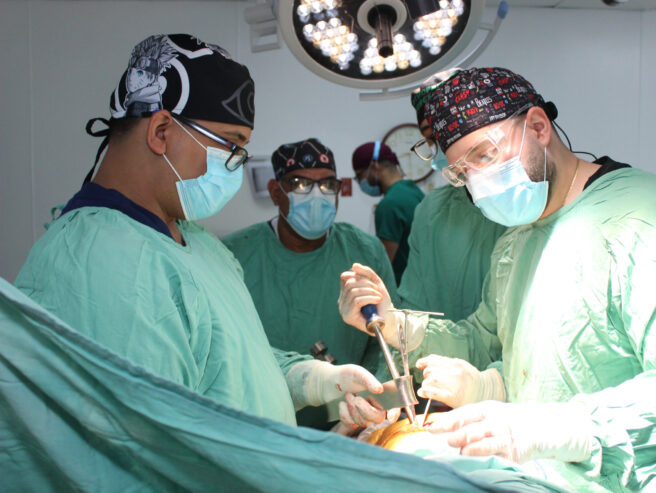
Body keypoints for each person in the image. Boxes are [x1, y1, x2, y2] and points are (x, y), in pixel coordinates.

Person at [338, 67, 656, 491]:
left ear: (538, 127)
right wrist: (399, 326)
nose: (477, 184)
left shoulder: (654, 221)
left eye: (484, 156)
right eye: (462, 172)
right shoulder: (516, 243)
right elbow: (486, 342)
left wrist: (571, 430)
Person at [14, 33, 385, 433]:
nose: (235, 165)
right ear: (160, 131)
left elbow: (235, 364)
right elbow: (154, 448)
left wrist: (311, 380)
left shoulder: (197, 243)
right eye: (231, 145)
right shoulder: (101, 262)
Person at [222, 137, 399, 429]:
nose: (316, 195)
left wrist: (371, 398)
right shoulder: (235, 255)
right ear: (275, 192)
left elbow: (386, 342)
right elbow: (225, 347)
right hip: (263, 420)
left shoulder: (364, 251)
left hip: (349, 417)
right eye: (300, 184)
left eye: (328, 185)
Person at [399, 70, 509, 322]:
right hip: (445, 344)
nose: (443, 145)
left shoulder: (518, 197)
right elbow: (414, 303)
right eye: (430, 138)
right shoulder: (432, 211)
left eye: (450, 129)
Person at [352, 141, 424, 284]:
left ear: (374, 166)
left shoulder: (389, 204)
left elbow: (382, 265)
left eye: (360, 176)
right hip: (422, 283)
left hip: (402, 288)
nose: (361, 182)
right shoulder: (414, 191)